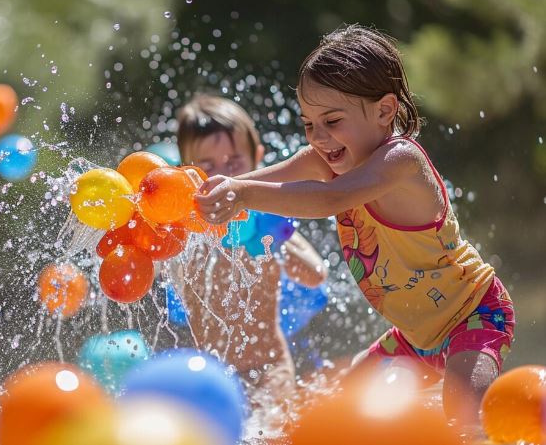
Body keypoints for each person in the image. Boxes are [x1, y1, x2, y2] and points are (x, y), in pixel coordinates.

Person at [194, 24, 515, 427]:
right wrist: (230, 187)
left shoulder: (401, 161)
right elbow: (283, 172)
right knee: (340, 417)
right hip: (413, 336)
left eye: (331, 120)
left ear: (384, 110)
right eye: (309, 123)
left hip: (474, 314)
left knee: (467, 418)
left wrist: (242, 196)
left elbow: (331, 198)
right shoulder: (330, 155)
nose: (319, 137)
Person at [170, 94, 328, 408]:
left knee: (272, 431)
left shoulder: (268, 217)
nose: (221, 176)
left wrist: (276, 242)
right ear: (186, 170)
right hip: (208, 374)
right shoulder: (183, 227)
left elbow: (315, 274)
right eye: (207, 166)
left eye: (234, 163)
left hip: (269, 366)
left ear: (257, 158)